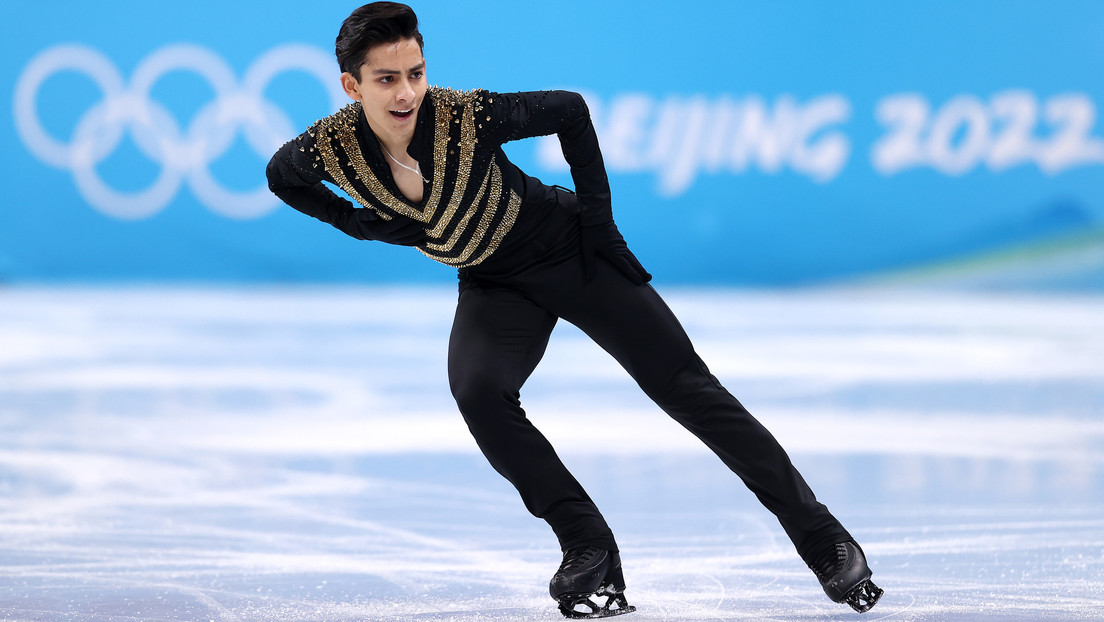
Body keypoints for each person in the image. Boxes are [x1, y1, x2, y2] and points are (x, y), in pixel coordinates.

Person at [266, 2, 883, 618]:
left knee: (686, 388)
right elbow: (279, 176)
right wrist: (361, 225)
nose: (407, 92)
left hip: (568, 252)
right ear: (352, 85)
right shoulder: (331, 148)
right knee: (479, 392)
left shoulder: (464, 116)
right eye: (387, 79)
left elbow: (568, 108)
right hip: (493, 281)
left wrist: (598, 218)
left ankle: (823, 537)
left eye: (416, 73)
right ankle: (586, 541)